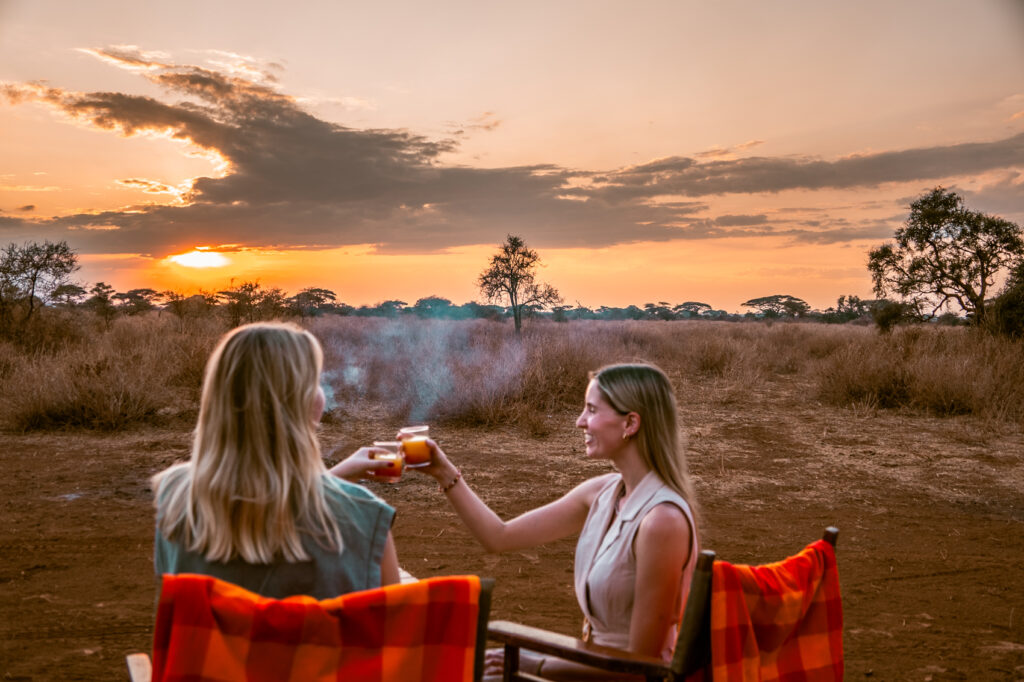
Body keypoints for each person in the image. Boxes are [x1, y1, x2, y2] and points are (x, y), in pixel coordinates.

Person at [407, 363, 700, 680]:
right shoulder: (602, 493)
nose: (579, 422)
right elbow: (499, 537)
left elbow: (639, 669)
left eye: (591, 410)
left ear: (630, 423)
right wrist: (444, 472)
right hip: (586, 666)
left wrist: (535, 664)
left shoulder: (661, 522)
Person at [152, 321, 400, 599]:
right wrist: (336, 488)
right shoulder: (364, 516)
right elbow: (393, 635)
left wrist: (333, 479)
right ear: (302, 402)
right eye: (315, 381)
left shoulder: (174, 497)